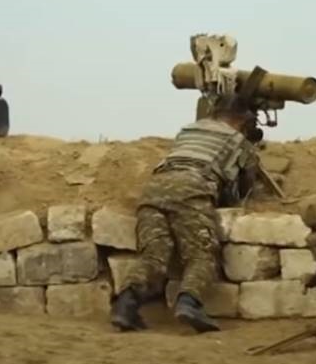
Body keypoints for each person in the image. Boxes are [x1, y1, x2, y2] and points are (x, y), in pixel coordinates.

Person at [111, 94, 259, 333]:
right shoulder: (238, 140)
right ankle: (189, 303)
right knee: (201, 255)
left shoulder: (189, 130)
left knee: (153, 256)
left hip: (154, 188)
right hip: (192, 187)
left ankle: (125, 306)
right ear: (242, 120)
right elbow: (242, 189)